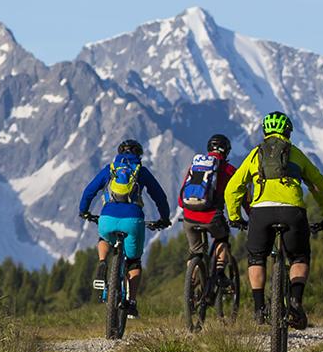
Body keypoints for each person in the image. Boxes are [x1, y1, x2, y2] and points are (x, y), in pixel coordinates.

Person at [223, 112, 323, 330]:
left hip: (261, 213)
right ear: (288, 132)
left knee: (257, 258)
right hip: (292, 212)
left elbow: (233, 188)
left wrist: (236, 216)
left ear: (265, 132)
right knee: (299, 257)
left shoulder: (255, 155)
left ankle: (259, 309)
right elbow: (320, 187)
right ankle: (295, 300)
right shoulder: (296, 154)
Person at [77, 139, 174, 317]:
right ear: (138, 155)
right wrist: (164, 218)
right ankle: (131, 303)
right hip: (133, 220)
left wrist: (84, 211)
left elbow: (89, 191)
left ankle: (102, 262)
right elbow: (160, 197)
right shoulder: (141, 171)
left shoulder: (110, 169)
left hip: (107, 218)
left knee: (104, 238)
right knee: (134, 262)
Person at [178, 134, 238, 317]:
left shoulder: (195, 166)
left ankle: (193, 281)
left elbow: (182, 199)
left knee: (196, 251)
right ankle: (219, 272)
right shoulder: (228, 169)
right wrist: (244, 215)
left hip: (188, 217)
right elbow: (239, 194)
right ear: (226, 150)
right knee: (222, 238)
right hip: (212, 217)